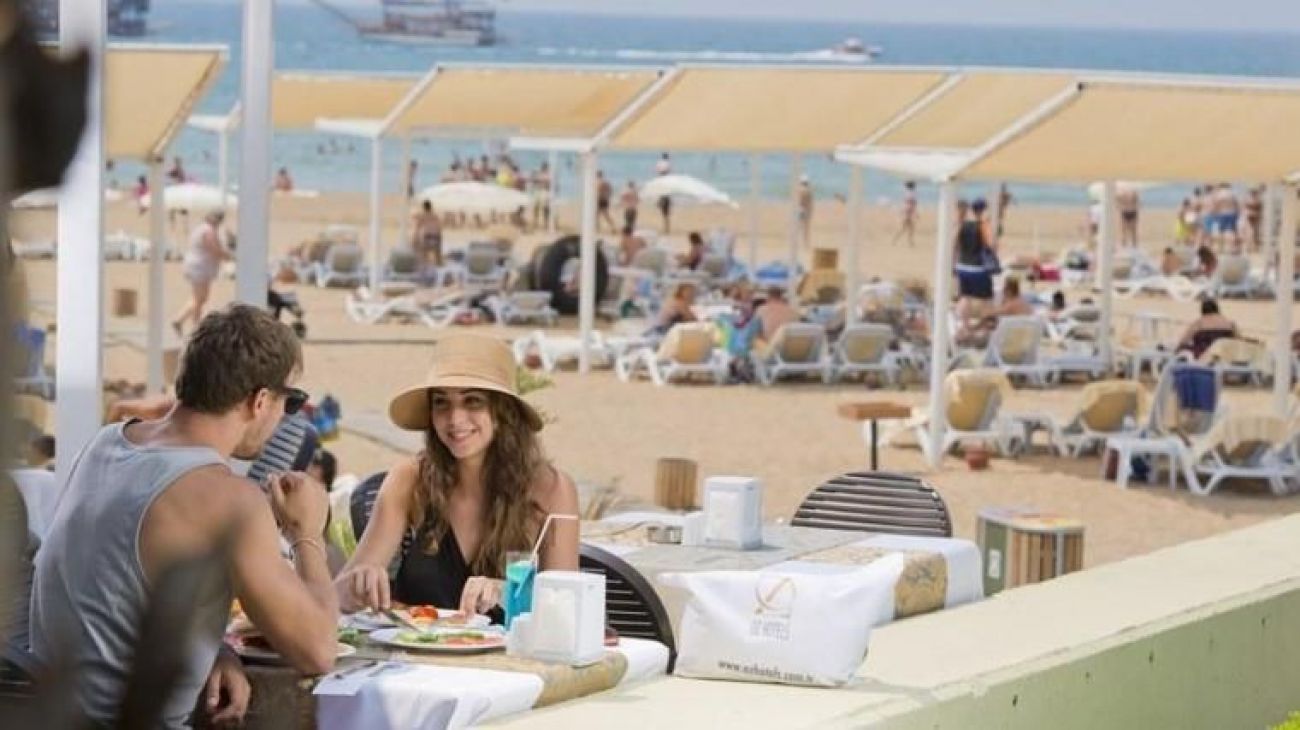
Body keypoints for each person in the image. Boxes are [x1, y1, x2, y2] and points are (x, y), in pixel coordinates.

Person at [30, 305, 339, 728]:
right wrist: (307, 532)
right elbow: (318, 650)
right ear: (260, 400)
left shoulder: (107, 444)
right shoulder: (228, 498)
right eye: (291, 402)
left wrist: (213, 649)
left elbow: (112, 597)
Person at [334, 334, 578, 617]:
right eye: (442, 403)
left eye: (472, 401)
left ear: (503, 412)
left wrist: (505, 591)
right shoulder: (411, 479)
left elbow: (568, 607)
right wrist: (358, 584)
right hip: (413, 645)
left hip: (511, 647)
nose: (455, 419)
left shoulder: (552, 490)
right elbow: (337, 596)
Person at [172, 210, 229, 337]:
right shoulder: (208, 231)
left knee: (201, 298)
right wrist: (227, 256)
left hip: (200, 267)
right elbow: (213, 248)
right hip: (199, 267)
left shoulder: (203, 229)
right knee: (199, 298)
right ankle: (192, 325)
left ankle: (182, 321)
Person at [954, 198, 996, 318]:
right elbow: (990, 245)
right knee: (986, 299)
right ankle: (985, 324)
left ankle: (963, 324)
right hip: (979, 267)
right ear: (983, 210)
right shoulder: (983, 225)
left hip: (962, 265)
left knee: (965, 297)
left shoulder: (963, 225)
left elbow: (955, 245)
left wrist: (954, 263)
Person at [412, 200, 443, 270]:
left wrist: (414, 239)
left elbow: (417, 228)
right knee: (437, 253)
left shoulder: (422, 215)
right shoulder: (435, 215)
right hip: (437, 238)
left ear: (423, 207)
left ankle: (424, 264)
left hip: (428, 237)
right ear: (430, 207)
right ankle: (439, 263)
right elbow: (439, 228)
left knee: (420, 249)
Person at [891, 181, 917, 247]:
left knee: (908, 228)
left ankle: (909, 242)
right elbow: (910, 204)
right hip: (908, 213)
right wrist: (912, 212)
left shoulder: (908, 193)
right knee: (906, 228)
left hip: (907, 212)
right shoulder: (911, 194)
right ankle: (896, 240)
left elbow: (908, 203)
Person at [530, 163, 552, 230]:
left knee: (545, 208)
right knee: (538, 207)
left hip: (544, 191)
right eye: (545, 168)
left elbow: (550, 184)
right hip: (540, 191)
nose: (545, 169)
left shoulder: (548, 175)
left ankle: (544, 223)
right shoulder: (540, 174)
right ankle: (537, 221)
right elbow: (533, 181)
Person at [655, 153, 672, 233]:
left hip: (661, 176)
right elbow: (668, 170)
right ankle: (666, 228)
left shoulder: (659, 162)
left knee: (662, 191)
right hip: (664, 176)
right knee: (666, 214)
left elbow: (657, 169)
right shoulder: (667, 163)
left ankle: (659, 201)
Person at [1245, 185, 1264, 251]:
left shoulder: (1249, 199)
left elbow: (1246, 207)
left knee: (1251, 232)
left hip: (1250, 215)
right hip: (1255, 216)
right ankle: (1253, 247)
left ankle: (1250, 246)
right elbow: (1260, 209)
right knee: (1254, 232)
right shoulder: (1258, 199)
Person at [796, 175, 814, 248]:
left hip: (800, 209)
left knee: (798, 227)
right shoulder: (809, 191)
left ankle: (796, 243)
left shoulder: (799, 190)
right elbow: (810, 203)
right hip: (806, 210)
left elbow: (797, 202)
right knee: (806, 229)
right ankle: (805, 244)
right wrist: (810, 212)